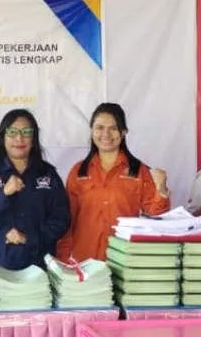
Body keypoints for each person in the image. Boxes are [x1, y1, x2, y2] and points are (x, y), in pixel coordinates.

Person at [57, 103, 171, 263]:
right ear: (91, 131)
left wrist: (161, 188)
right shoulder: (78, 172)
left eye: (113, 128)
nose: (106, 134)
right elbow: (67, 220)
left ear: (123, 132)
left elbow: (156, 216)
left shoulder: (138, 170)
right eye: (100, 127)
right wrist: (64, 257)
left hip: (124, 259)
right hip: (85, 260)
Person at [0, 109, 70, 276]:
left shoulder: (48, 174)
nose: (19, 138)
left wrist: (28, 238)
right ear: (3, 136)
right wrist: (3, 193)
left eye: (26, 132)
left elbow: (61, 221)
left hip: (38, 268)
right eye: (12, 132)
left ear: (33, 138)